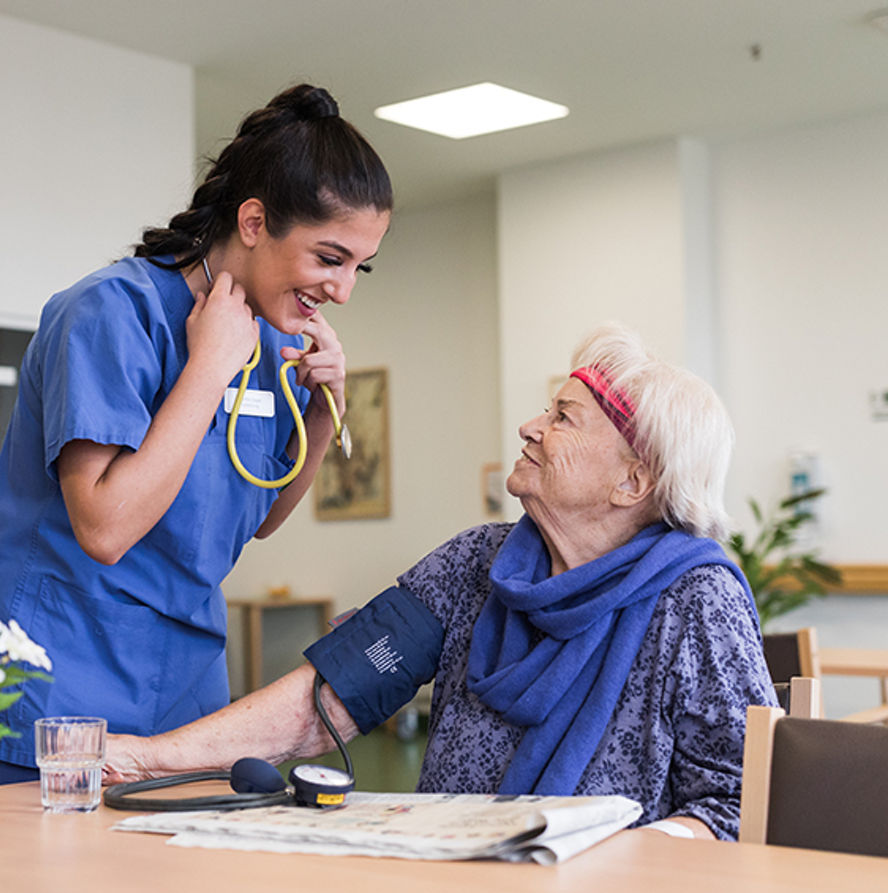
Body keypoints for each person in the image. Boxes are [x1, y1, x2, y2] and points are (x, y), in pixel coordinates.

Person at [105, 324, 778, 841]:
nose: (530, 426)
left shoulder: (695, 600)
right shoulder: (473, 566)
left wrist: (614, 858)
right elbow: (329, 697)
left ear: (633, 480)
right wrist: (142, 759)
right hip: (444, 872)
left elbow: (742, 799)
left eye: (564, 417)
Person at [0, 83, 391, 784]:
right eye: (329, 257)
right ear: (254, 221)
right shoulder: (110, 312)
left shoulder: (275, 340)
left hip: (188, 692)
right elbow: (104, 526)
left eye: (358, 267)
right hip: (65, 678)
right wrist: (208, 369)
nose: (343, 290)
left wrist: (322, 411)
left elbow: (262, 517)